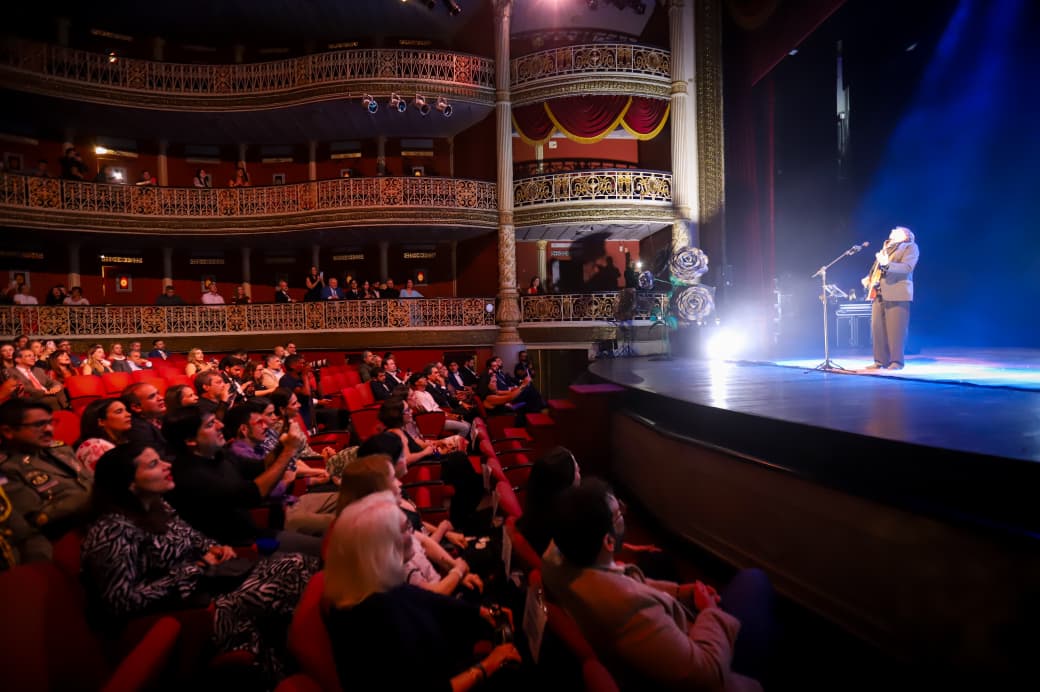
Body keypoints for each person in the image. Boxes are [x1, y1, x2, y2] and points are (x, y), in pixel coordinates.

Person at [80, 443, 317, 684]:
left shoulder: (157, 504)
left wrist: (214, 547)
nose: (167, 466)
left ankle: (305, 661)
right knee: (293, 569)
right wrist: (195, 569)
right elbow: (121, 602)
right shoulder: (111, 531)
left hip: (209, 585)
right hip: (186, 613)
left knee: (300, 565)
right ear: (129, 484)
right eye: (154, 464)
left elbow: (193, 537)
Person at [542, 479, 773, 692]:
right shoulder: (627, 608)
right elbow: (708, 675)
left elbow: (628, 582)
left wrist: (684, 592)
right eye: (617, 514)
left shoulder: (558, 561)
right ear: (609, 541)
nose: (623, 513)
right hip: (710, 667)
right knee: (754, 580)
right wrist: (709, 611)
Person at [323, 491, 522, 691]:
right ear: (382, 549)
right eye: (405, 528)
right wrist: (486, 667)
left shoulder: (376, 580)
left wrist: (481, 613)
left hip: (438, 659)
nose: (413, 533)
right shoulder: (370, 618)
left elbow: (428, 600)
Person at [0, 400, 93, 554]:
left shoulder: (60, 449)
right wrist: (98, 493)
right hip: (64, 540)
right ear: (8, 431)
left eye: (51, 422)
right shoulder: (6, 469)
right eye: (39, 425)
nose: (49, 429)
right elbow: (37, 518)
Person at [861, 226, 920, 371]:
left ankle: (897, 362)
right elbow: (878, 269)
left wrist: (887, 264)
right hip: (879, 292)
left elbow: (907, 267)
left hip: (897, 292)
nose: (893, 230)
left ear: (905, 235)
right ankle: (880, 361)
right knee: (877, 328)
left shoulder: (910, 247)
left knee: (896, 330)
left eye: (897, 230)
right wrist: (869, 279)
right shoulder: (886, 249)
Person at [74, 397, 133, 470]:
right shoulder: (96, 447)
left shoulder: (122, 441)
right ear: (101, 421)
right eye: (119, 411)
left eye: (126, 410)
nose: (128, 414)